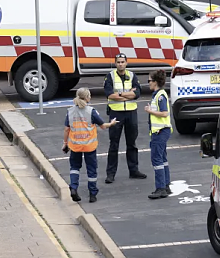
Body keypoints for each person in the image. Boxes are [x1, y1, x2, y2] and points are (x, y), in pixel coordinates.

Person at [63, 87, 116, 203]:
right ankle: (92, 194)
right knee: (91, 170)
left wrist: (65, 143)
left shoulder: (70, 111)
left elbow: (67, 129)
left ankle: (73, 187)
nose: (90, 97)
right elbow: (102, 126)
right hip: (89, 146)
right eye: (90, 96)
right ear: (87, 98)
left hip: (75, 145)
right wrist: (111, 124)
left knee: (74, 168)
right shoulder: (91, 111)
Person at [104, 54, 146, 184]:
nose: (120, 64)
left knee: (132, 143)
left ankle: (134, 170)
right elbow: (110, 94)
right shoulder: (110, 76)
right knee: (114, 144)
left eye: (123, 62)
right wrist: (128, 95)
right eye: (118, 62)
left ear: (126, 63)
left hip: (131, 113)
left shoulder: (132, 76)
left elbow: (137, 93)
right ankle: (110, 174)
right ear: (115, 63)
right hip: (116, 113)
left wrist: (121, 94)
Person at [145, 70, 172, 199]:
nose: (148, 83)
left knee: (156, 159)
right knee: (163, 159)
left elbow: (164, 113)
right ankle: (166, 185)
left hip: (160, 131)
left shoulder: (160, 96)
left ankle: (160, 188)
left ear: (155, 82)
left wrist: (150, 111)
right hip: (161, 131)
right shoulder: (158, 95)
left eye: (149, 81)